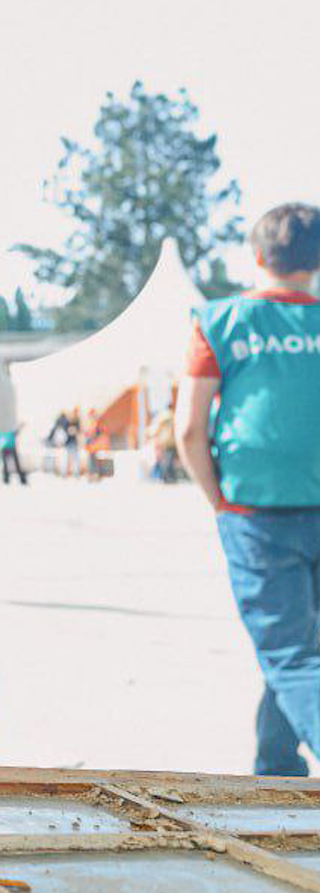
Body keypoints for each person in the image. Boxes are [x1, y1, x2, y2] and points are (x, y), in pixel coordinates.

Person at [178, 202, 320, 777]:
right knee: (297, 653)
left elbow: (189, 426)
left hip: (255, 504)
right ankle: (276, 770)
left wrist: (216, 499)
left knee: (290, 653)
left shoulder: (219, 320)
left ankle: (278, 766)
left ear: (258, 256)